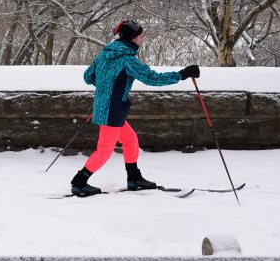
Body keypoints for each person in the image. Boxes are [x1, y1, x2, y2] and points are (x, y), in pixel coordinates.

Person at [70, 19, 200, 197]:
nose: (141, 39)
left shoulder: (104, 54)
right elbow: (152, 78)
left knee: (130, 140)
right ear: (132, 38)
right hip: (112, 111)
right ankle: (79, 182)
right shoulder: (127, 60)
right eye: (140, 36)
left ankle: (134, 179)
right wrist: (182, 74)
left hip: (109, 108)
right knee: (104, 151)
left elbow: (88, 77)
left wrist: (107, 88)